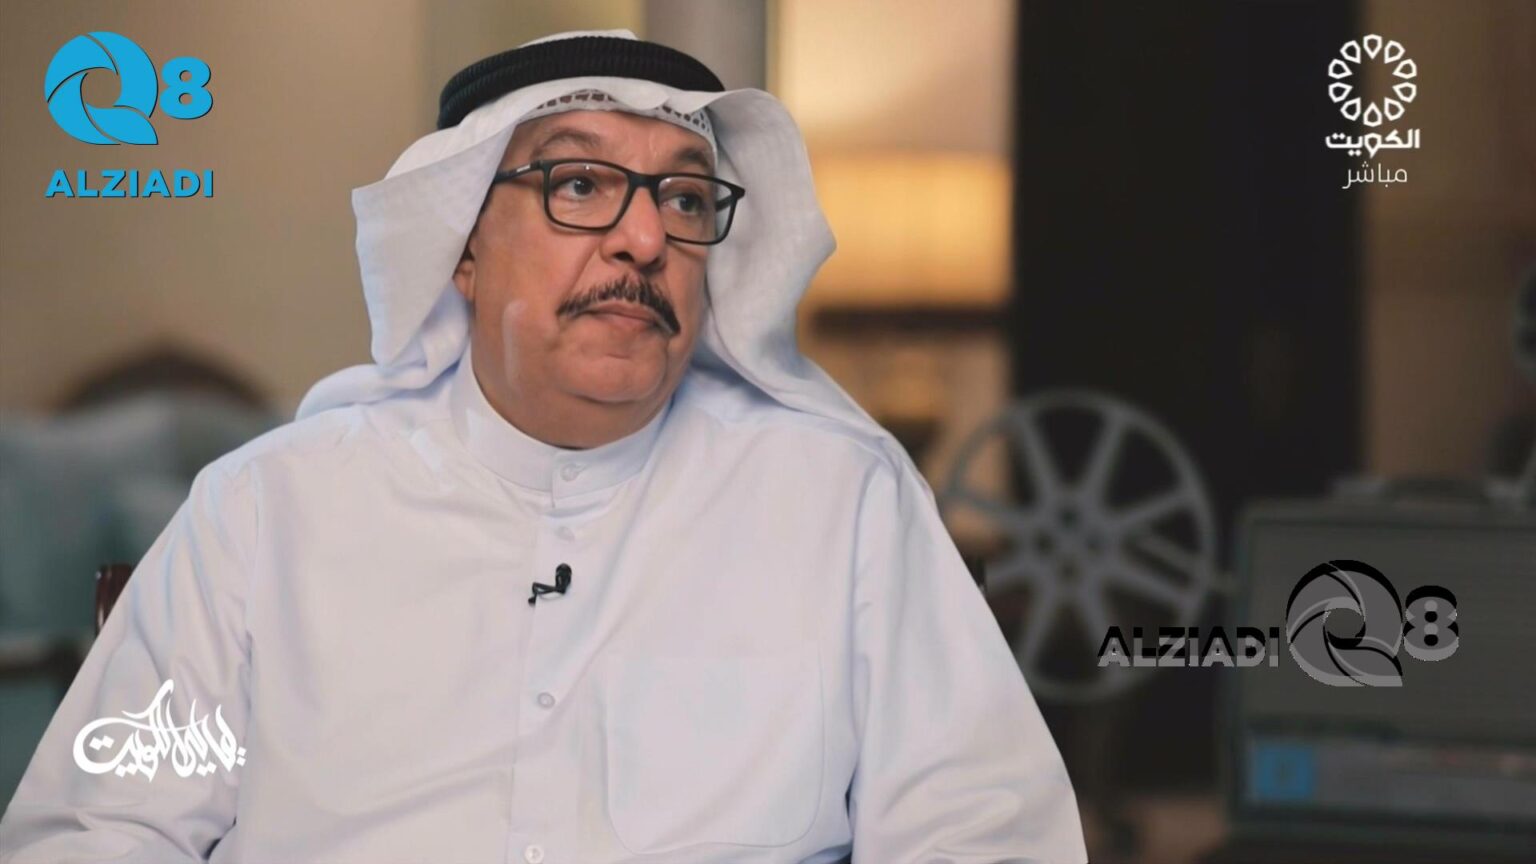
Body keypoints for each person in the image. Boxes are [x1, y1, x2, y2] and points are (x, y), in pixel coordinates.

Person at [0, 30, 1086, 864]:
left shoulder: (840, 504)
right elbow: (99, 833)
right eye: (579, 186)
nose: (645, 237)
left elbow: (982, 832)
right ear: (462, 248)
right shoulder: (266, 515)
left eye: (684, 197)